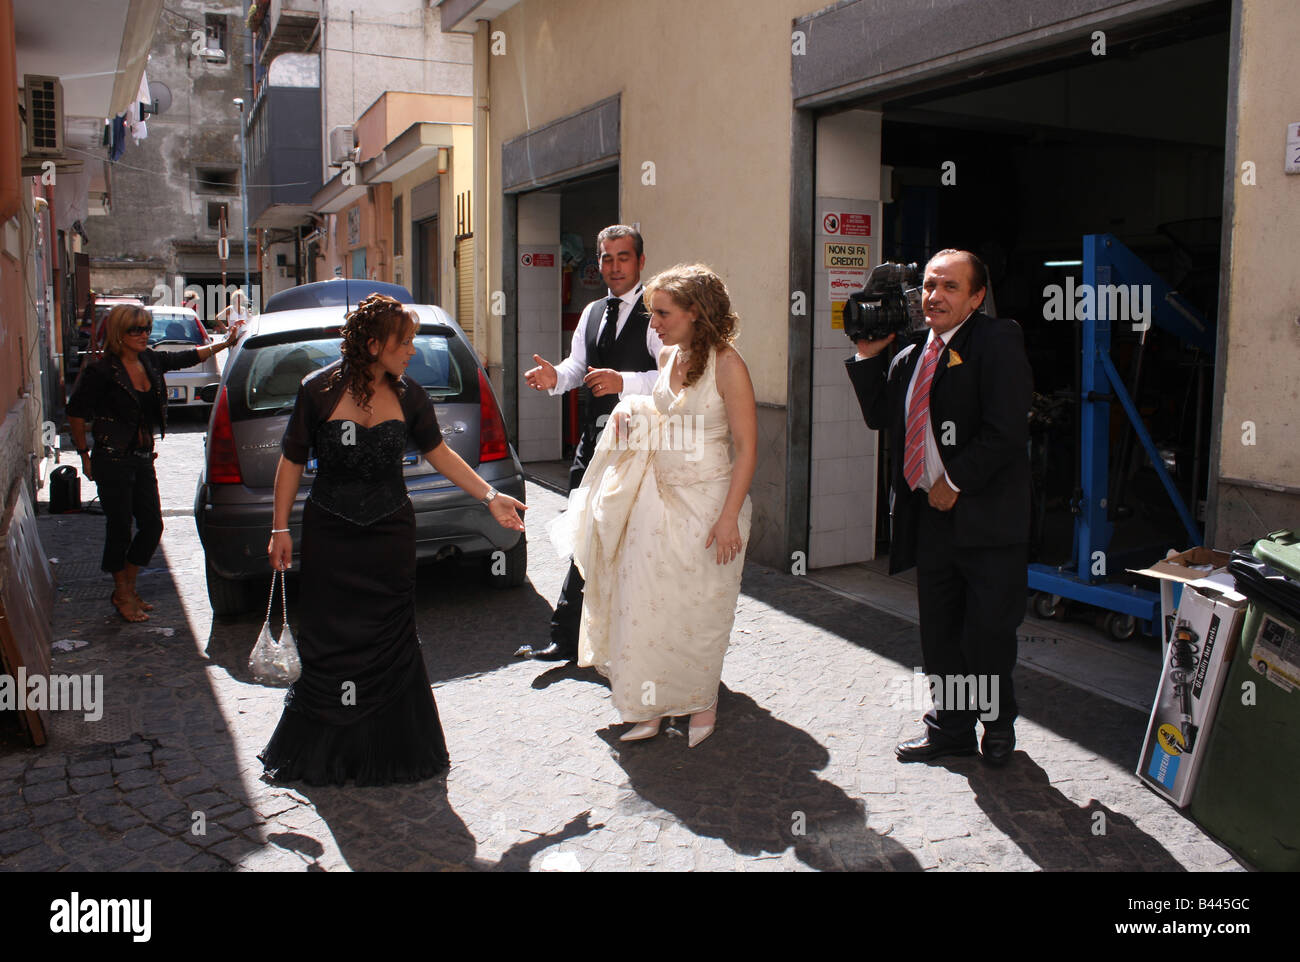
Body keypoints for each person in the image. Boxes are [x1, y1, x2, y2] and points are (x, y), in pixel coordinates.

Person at [260, 293, 526, 786]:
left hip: (389, 535)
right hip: (330, 535)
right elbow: (292, 460)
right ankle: (328, 750)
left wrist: (491, 495)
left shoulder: (410, 396)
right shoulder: (316, 391)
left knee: (390, 635)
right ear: (374, 343)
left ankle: (390, 747)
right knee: (331, 636)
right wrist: (279, 527)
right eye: (404, 342)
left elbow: (441, 454)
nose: (412, 350)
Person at [551, 264, 756, 747]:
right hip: (655, 497)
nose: (654, 323)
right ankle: (649, 706)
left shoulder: (730, 365)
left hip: (709, 505)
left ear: (695, 313)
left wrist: (729, 518)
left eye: (662, 313)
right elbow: (656, 409)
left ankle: (700, 702)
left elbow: (747, 447)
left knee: (697, 608)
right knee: (643, 604)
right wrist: (631, 416)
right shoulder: (667, 357)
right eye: (650, 314)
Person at [845, 249, 1032, 767]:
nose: (935, 296)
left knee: (987, 633)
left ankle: (997, 726)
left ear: (975, 296)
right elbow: (882, 415)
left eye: (950, 287)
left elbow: (1007, 430)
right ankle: (949, 730)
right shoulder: (910, 354)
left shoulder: (996, 341)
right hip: (932, 520)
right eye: (928, 286)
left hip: (987, 521)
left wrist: (955, 480)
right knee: (941, 636)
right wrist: (867, 353)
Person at [515, 225, 664, 662]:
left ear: (639, 262)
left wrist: (625, 381)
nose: (614, 266)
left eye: (623, 257)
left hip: (639, 446)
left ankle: (632, 639)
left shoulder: (658, 312)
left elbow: (672, 379)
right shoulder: (592, 311)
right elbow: (578, 367)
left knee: (632, 540)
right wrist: (554, 378)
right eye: (606, 258)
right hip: (594, 441)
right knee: (585, 533)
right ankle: (566, 637)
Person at [67, 304, 241, 622]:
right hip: (113, 458)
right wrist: (83, 454)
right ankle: (123, 593)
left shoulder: (149, 360)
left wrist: (225, 344)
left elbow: (186, 357)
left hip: (143, 459)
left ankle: (127, 589)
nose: (144, 334)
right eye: (136, 330)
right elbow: (76, 412)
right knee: (119, 527)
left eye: (146, 328)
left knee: (151, 526)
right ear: (119, 333)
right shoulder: (102, 371)